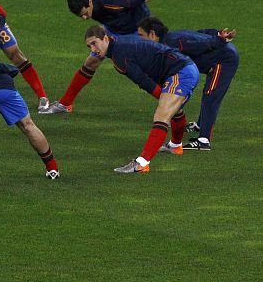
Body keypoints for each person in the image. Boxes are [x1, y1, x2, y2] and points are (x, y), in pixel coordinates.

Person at [82, 25, 200, 173]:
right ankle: (176, 146)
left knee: (162, 114)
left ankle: (141, 163)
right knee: (173, 109)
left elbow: (143, 80)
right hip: (181, 68)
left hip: (181, 71)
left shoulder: (119, 55)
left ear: (105, 38)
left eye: (94, 43)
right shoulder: (119, 45)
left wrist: (163, 100)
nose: (93, 49)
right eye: (89, 46)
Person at [42, 0, 152, 115]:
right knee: (92, 61)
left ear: (89, 2)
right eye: (80, 16)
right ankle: (65, 104)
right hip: (112, 29)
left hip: (137, 30)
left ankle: (173, 111)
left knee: (150, 68)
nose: (84, 18)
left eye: (85, 13)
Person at [137, 17, 239, 150]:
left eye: (141, 35)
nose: (139, 39)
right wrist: (218, 33)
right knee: (207, 94)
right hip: (217, 54)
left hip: (224, 59)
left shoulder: (172, 43)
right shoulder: (168, 41)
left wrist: (219, 39)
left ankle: (203, 141)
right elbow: (200, 34)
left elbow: (200, 45)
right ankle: (200, 125)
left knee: (211, 95)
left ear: (152, 34)